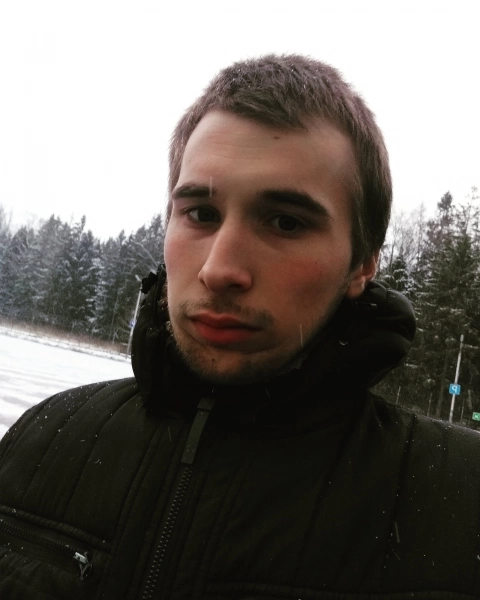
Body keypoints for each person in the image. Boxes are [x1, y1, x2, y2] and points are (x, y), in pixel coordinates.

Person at [0, 54, 479, 599]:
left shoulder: (457, 500)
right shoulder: (44, 438)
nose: (219, 270)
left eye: (286, 222)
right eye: (201, 214)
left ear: (362, 264)